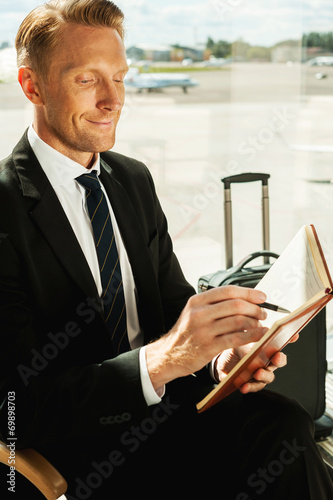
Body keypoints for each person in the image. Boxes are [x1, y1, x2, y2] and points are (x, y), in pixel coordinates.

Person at [0, 1, 332, 498]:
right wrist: (163, 361)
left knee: (283, 420)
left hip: (171, 407)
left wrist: (222, 357)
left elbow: (173, 307)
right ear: (32, 86)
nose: (114, 100)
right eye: (88, 80)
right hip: (87, 440)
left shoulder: (131, 179)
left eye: (120, 77)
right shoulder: (5, 207)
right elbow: (15, 410)